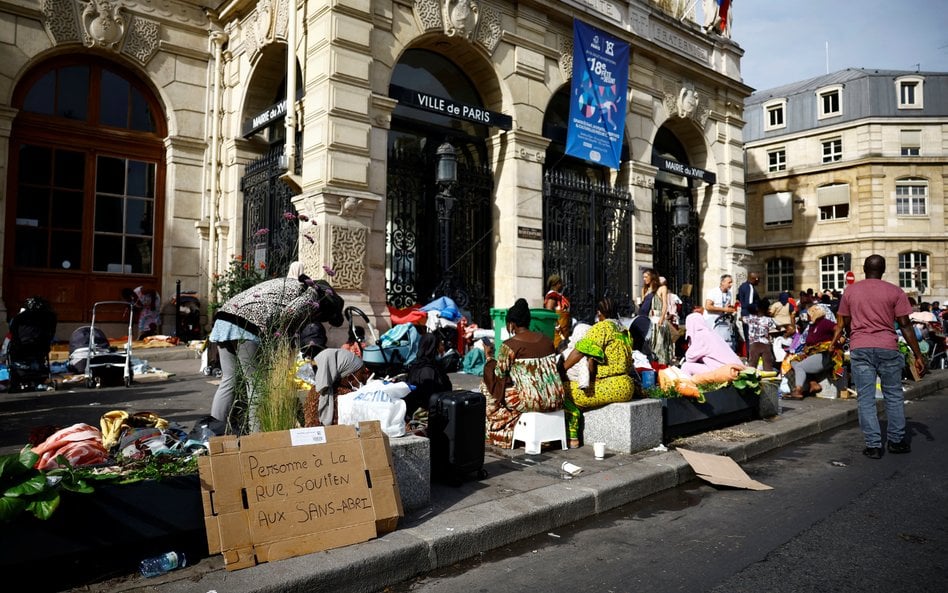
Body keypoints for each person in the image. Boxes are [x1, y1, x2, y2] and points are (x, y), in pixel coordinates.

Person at [208, 274, 341, 432]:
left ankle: (212, 432)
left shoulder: (291, 284)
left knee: (229, 381)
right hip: (248, 325)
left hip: (224, 318)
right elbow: (289, 316)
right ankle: (256, 438)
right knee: (256, 385)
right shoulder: (310, 295)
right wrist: (284, 345)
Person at [832, 255, 926, 459]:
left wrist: (853, 335)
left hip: (861, 347)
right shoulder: (895, 291)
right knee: (893, 395)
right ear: (883, 270)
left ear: (864, 269)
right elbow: (905, 325)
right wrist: (918, 355)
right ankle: (896, 441)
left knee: (865, 398)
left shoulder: (851, 291)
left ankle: (874, 445)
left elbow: (844, 321)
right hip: (888, 347)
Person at [481, 298, 565, 449]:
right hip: (557, 399)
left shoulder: (510, 346)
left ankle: (493, 427)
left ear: (511, 324)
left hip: (530, 401)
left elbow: (499, 375)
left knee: (487, 382)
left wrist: (488, 357)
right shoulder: (547, 341)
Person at [561, 297, 635, 447]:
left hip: (611, 386)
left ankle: (573, 434)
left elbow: (578, 352)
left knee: (563, 390)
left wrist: (561, 369)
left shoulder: (602, 328)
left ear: (599, 313)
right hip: (627, 385)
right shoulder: (624, 331)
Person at [303, 347, 371, 427]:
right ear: (350, 377)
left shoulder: (316, 390)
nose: (366, 377)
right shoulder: (349, 397)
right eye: (363, 373)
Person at [781, 305, 838, 399]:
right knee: (794, 361)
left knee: (799, 366)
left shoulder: (825, 323)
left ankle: (798, 390)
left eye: (808, 314)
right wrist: (805, 352)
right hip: (812, 354)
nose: (807, 317)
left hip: (824, 355)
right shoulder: (812, 326)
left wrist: (833, 344)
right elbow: (808, 343)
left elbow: (837, 329)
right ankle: (813, 383)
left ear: (814, 314)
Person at [404, 333, 453, 423]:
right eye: (440, 344)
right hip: (426, 415)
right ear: (434, 347)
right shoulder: (429, 370)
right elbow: (430, 398)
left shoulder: (416, 365)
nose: (442, 347)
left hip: (413, 412)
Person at [681, 311, 745, 376]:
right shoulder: (711, 333)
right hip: (734, 367)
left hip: (725, 370)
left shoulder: (701, 335)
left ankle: (687, 385)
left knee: (686, 367)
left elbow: (690, 357)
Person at [641, 269, 673, 365]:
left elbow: (665, 305)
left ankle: (662, 366)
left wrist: (662, 318)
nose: (644, 279)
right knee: (650, 346)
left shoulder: (662, 288)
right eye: (643, 277)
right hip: (649, 320)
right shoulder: (645, 290)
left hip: (658, 319)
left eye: (646, 276)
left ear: (652, 277)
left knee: (660, 345)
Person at [704, 273, 738, 352]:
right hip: (712, 320)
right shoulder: (713, 292)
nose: (731, 284)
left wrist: (729, 309)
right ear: (722, 282)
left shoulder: (729, 293)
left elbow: (725, 307)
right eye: (729, 282)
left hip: (722, 320)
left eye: (731, 282)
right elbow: (708, 306)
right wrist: (724, 309)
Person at [744, 301, 778, 372]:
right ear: (767, 309)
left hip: (754, 345)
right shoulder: (768, 320)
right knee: (768, 365)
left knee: (752, 365)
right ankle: (768, 381)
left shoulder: (750, 318)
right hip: (765, 345)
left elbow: (741, 319)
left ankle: (751, 379)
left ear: (757, 308)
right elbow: (777, 327)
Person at [543, 274, 571, 350]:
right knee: (558, 348)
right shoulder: (552, 295)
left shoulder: (558, 295)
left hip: (563, 328)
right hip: (558, 331)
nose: (562, 285)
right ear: (556, 284)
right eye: (561, 283)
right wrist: (557, 326)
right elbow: (549, 311)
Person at [736, 272, 761, 353]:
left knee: (748, 338)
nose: (759, 282)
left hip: (745, 314)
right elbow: (749, 304)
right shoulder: (749, 287)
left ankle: (749, 357)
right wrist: (758, 309)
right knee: (751, 338)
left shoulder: (742, 286)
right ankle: (752, 358)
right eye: (758, 280)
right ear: (755, 279)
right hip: (750, 315)